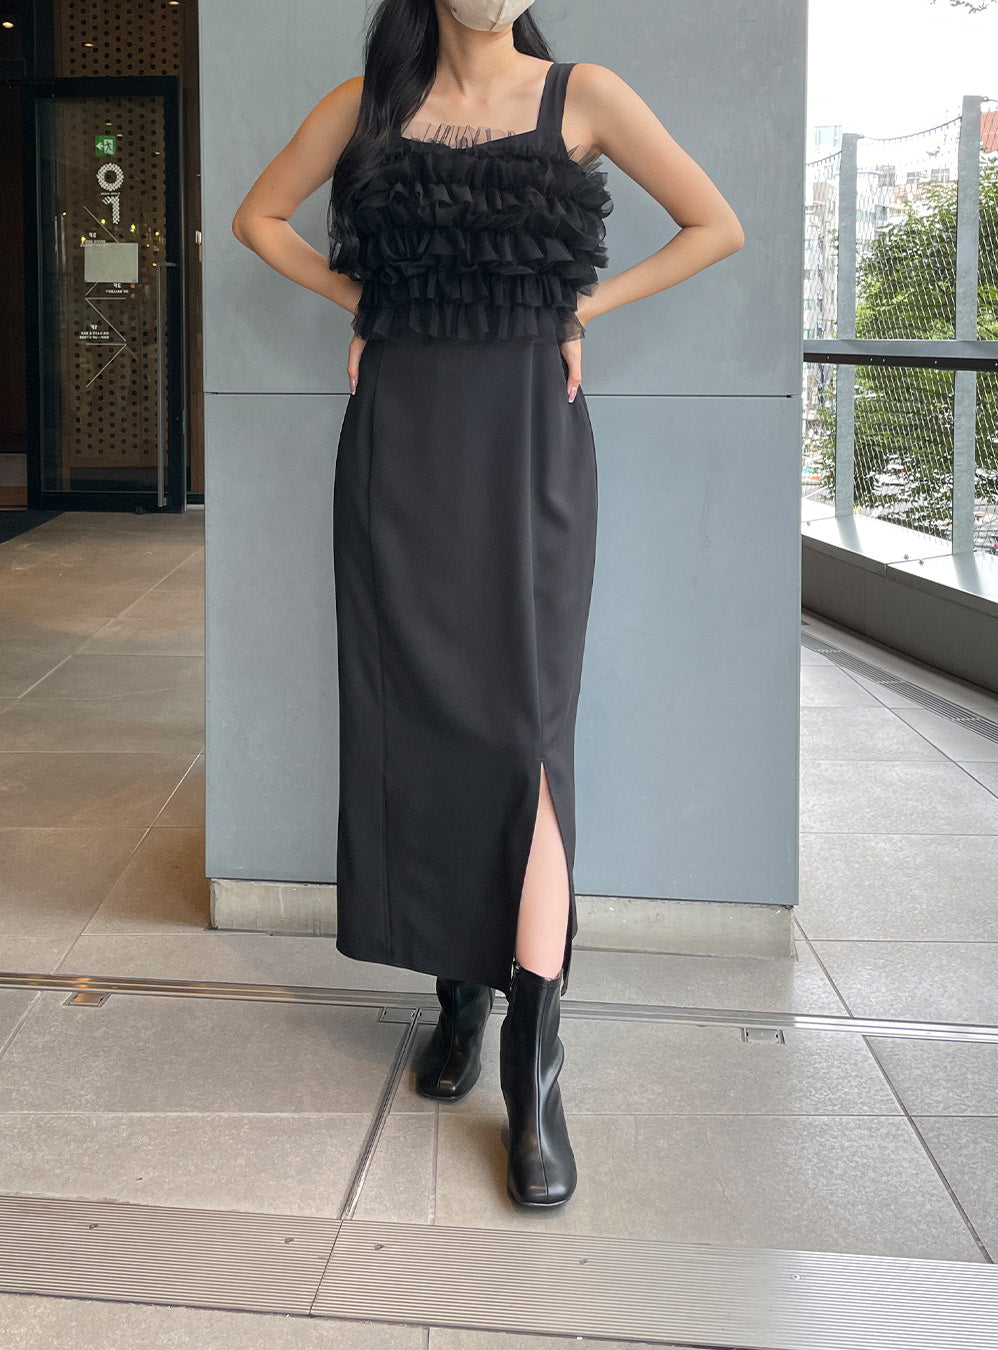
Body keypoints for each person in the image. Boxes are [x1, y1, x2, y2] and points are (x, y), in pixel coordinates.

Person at [232, 0, 744, 1210]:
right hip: (401, 442)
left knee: (526, 737)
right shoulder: (368, 107)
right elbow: (257, 218)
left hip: (526, 445)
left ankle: (534, 1059)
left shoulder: (584, 95)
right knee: (418, 722)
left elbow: (715, 226)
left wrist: (578, 311)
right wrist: (362, 303)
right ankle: (459, 989)